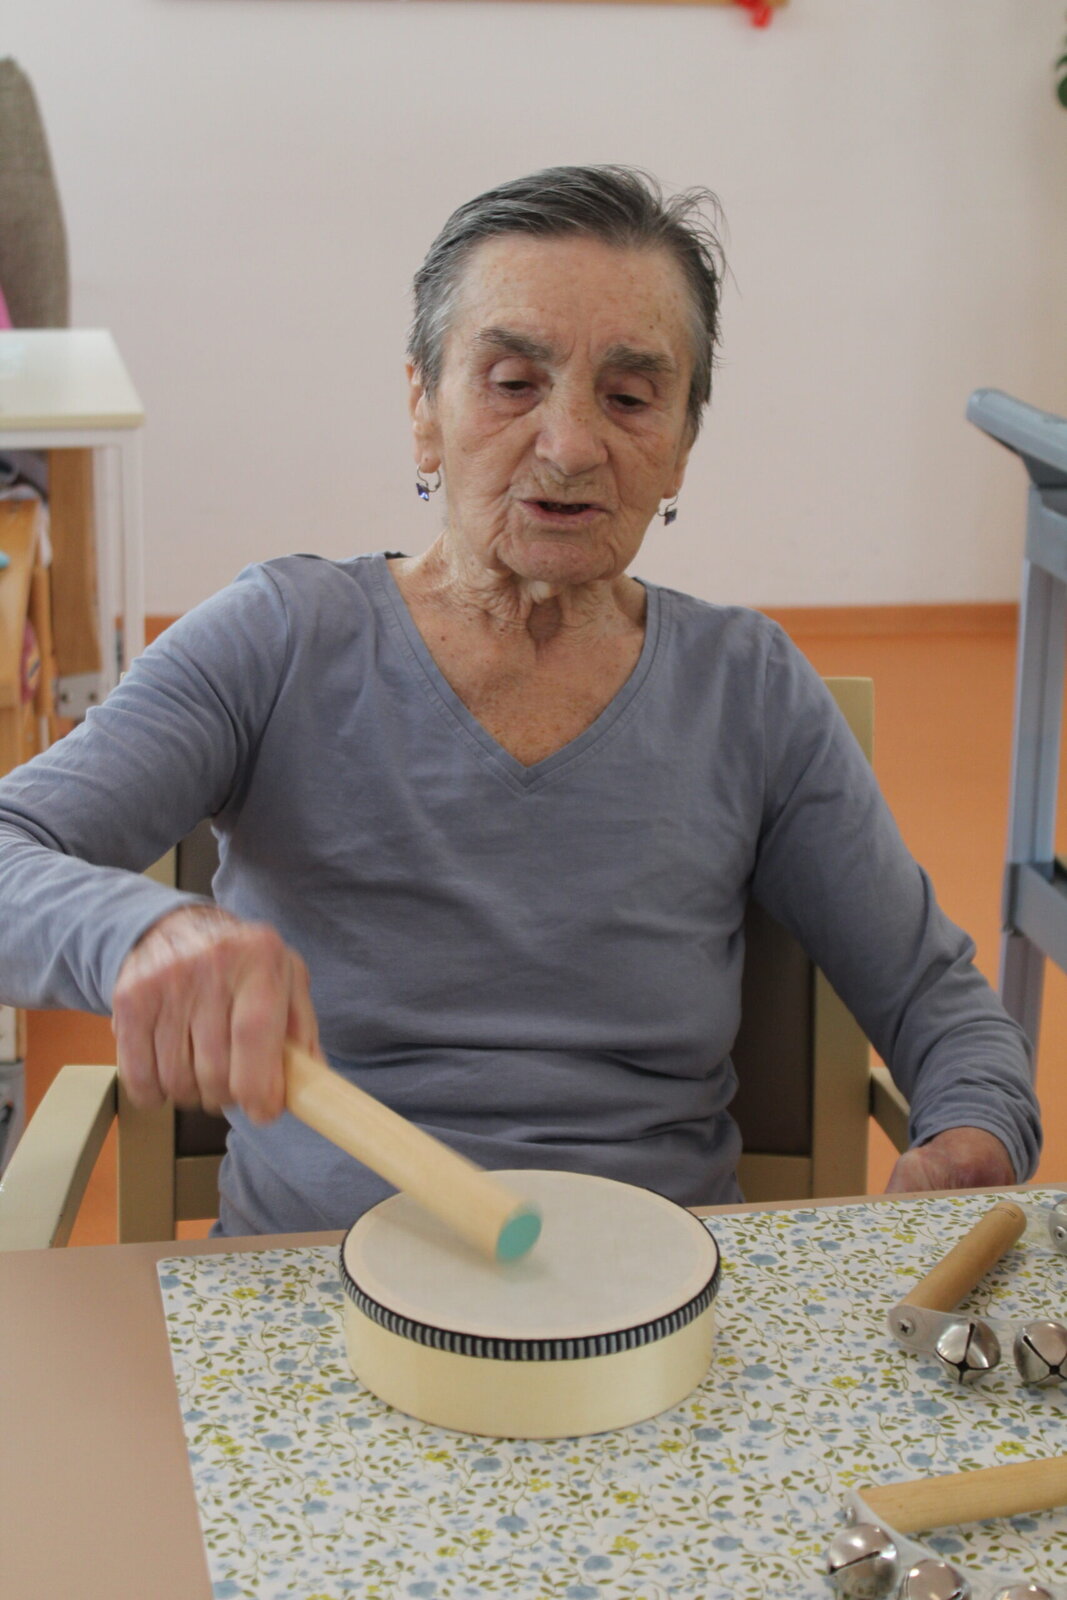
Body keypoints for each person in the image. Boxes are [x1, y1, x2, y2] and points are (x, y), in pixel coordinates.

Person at [0, 166, 1039, 1233]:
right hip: (312, 1288)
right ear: (422, 406)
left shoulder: (750, 692)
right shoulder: (277, 640)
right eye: (510, 382)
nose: (571, 444)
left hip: (657, 1297)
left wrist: (973, 1129)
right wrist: (138, 931)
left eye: (629, 398)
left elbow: (934, 999)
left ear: (681, 446)